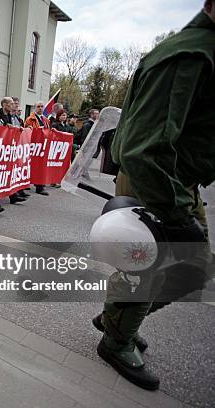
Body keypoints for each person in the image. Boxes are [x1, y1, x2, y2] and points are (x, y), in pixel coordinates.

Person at [92, 1, 215, 391]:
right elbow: (142, 149)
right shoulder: (190, 53)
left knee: (187, 270)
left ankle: (116, 316)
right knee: (160, 269)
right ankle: (116, 338)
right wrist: (178, 215)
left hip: (175, 179)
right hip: (158, 181)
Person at [0, 97, 28, 204]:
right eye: (11, 104)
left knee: (10, 171)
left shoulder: (11, 115)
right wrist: (6, 127)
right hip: (0, 148)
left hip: (9, 147)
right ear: (4, 105)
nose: (13, 106)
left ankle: (13, 195)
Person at [25, 101, 51, 195]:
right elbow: (27, 130)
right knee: (32, 165)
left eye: (41, 106)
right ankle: (30, 184)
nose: (40, 108)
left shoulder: (46, 120)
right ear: (34, 108)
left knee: (41, 166)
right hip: (34, 145)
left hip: (43, 145)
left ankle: (40, 186)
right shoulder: (30, 119)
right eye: (38, 106)